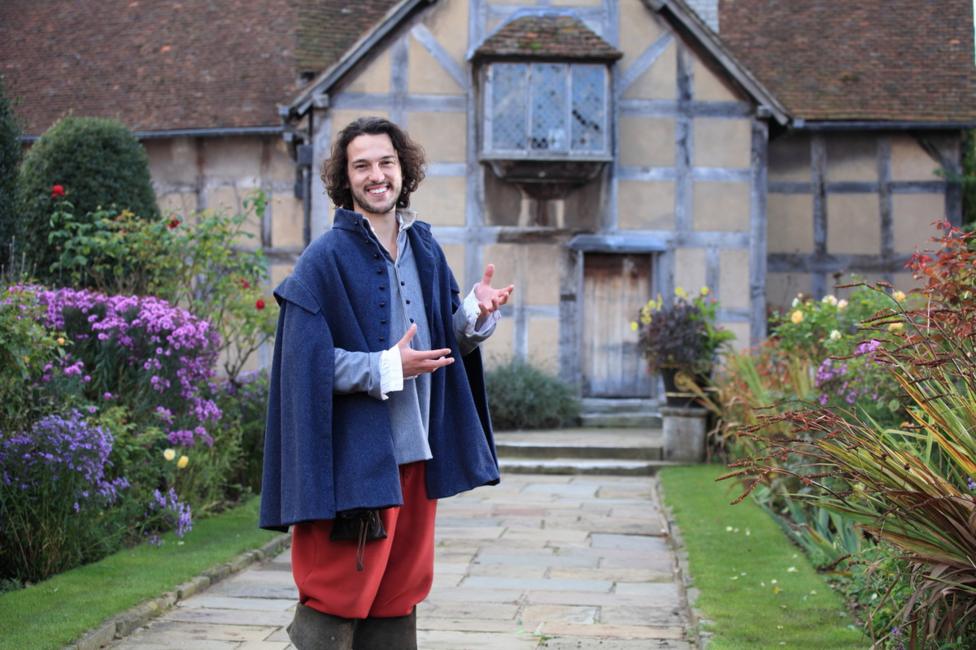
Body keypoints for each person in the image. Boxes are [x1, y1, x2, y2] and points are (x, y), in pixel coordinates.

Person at [259, 116, 513, 649]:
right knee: (337, 589)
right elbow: (303, 367)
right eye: (362, 166)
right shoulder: (322, 261)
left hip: (418, 454)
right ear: (345, 178)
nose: (377, 175)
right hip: (355, 461)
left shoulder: (426, 248)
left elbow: (442, 341)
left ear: (404, 169)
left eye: (386, 162)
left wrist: (475, 314)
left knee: (400, 592)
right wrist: (385, 367)